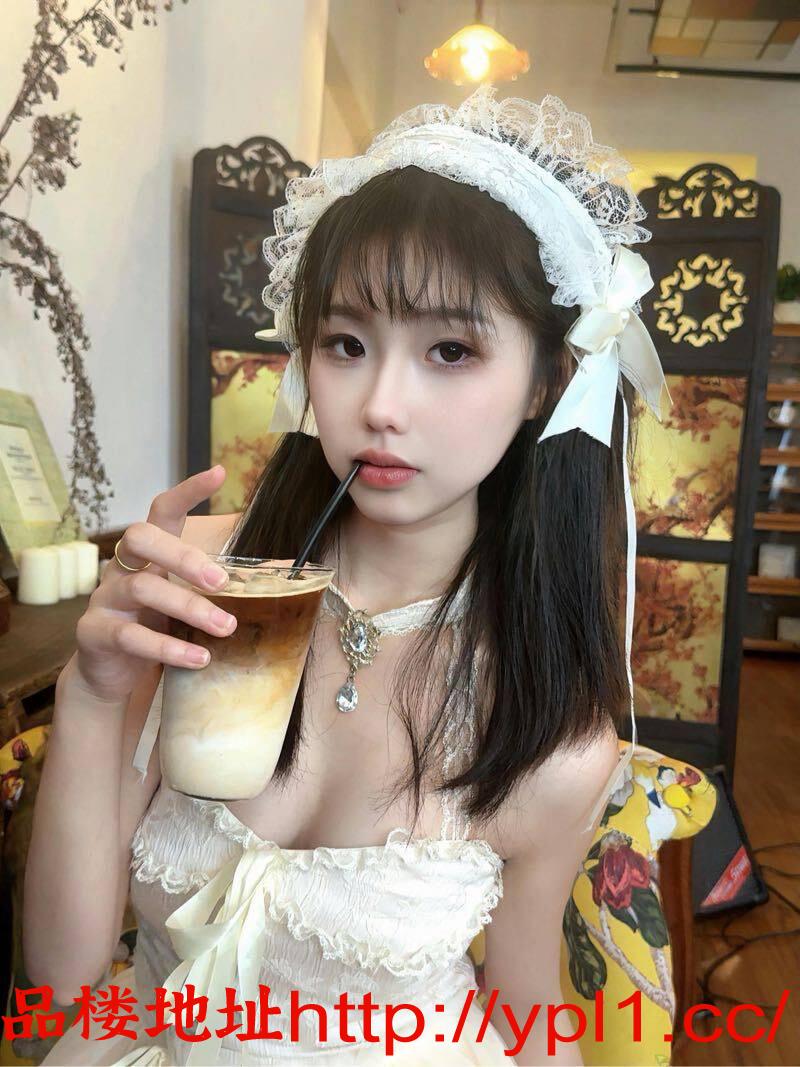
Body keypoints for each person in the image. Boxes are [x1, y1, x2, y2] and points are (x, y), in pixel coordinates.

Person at [27, 85, 669, 1066]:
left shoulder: (549, 728)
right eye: (346, 343)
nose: (379, 404)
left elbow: (526, 1009)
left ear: (545, 381)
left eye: (449, 349)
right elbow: (61, 993)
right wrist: (91, 692)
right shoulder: (202, 590)